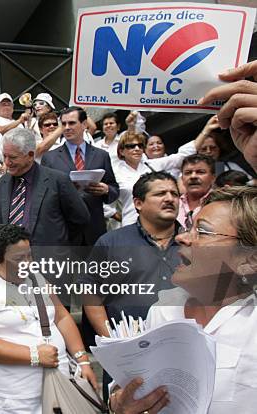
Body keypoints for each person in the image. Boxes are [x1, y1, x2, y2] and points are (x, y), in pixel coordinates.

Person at [108, 186, 257, 414]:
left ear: (249, 259)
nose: (181, 237)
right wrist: (118, 402)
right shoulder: (163, 310)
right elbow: (128, 384)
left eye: (203, 232)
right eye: (189, 227)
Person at [0, 224, 98, 414]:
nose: (27, 263)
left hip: (60, 382)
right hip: (17, 395)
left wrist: (82, 360)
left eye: (29, 255)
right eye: (19, 259)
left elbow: (61, 317)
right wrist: (34, 355)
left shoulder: (37, 278)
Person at [81, 171, 182, 401]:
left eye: (174, 194)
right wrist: (114, 342)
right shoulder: (112, 243)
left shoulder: (192, 242)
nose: (170, 198)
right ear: (138, 203)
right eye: (160, 193)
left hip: (181, 353)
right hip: (127, 355)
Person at [0, 127, 90, 256]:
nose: (7, 163)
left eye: (13, 157)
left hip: (50, 264)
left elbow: (80, 219)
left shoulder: (57, 181)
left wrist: (59, 247)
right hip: (11, 265)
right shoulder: (1, 185)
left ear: (30, 155)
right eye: (5, 156)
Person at [41, 106, 119, 246]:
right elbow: (44, 195)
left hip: (94, 230)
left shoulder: (101, 155)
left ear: (84, 124)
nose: (66, 128)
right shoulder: (50, 158)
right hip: (65, 231)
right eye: (63, 124)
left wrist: (106, 189)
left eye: (71, 123)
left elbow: (114, 189)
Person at [113, 127, 207, 227]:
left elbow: (181, 156)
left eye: (140, 146)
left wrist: (206, 130)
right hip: (131, 223)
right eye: (131, 146)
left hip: (158, 223)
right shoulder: (115, 173)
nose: (137, 149)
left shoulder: (152, 165)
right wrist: (118, 216)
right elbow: (106, 203)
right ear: (121, 151)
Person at [198, 59, 257, 172]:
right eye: (204, 149)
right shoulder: (188, 168)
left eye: (212, 148)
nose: (209, 152)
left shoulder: (228, 167)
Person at [177, 154, 216, 229]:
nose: (193, 176)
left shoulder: (222, 203)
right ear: (182, 179)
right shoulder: (174, 203)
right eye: (188, 173)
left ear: (213, 178)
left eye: (200, 172)